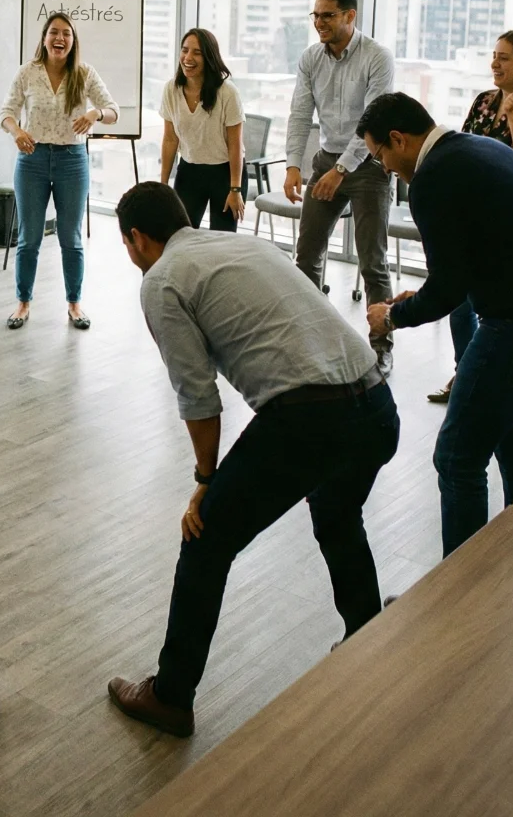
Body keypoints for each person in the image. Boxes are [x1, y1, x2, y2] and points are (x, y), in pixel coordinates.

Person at [105, 183, 399, 739]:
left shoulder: (162, 279)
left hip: (311, 419)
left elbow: (198, 396)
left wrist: (205, 482)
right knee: (337, 513)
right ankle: (367, 637)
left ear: (137, 239)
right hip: (377, 404)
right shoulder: (243, 246)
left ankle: (169, 697)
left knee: (206, 539)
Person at [361, 93, 513, 558]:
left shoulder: (433, 179)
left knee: (457, 457)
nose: (383, 167)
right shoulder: (482, 148)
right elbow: (474, 260)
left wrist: (391, 317)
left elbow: (448, 289)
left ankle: (460, 596)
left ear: (398, 139)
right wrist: (420, 296)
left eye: (379, 155)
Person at [428, 30, 513, 406]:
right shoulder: (483, 102)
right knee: (460, 301)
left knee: (493, 309)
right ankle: (465, 373)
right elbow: (463, 150)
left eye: (504, 58)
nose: (494, 63)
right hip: (473, 219)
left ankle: (484, 376)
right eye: (494, 55)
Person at [284, 0, 396, 375]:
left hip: (369, 164)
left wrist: (341, 169)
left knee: (373, 264)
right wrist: (293, 165)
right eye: (315, 15)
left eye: (328, 15)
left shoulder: (377, 58)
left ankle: (381, 347)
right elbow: (300, 114)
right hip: (326, 159)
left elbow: (373, 122)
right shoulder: (311, 58)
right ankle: (308, 338)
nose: (319, 23)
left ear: (350, 16)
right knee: (307, 255)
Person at [0, 12, 118, 331]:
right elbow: (7, 112)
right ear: (44, 37)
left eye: (66, 33)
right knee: (29, 238)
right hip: (32, 160)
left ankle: (74, 304)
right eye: (54, 32)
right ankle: (23, 303)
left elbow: (113, 112)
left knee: (71, 237)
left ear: (73, 40)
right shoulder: (28, 72)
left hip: (72, 160)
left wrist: (95, 113)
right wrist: (17, 132)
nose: (59, 38)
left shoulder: (85, 73)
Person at [159, 28, 245, 232]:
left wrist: (235, 189)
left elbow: (235, 144)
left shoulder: (227, 92)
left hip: (224, 173)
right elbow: (170, 139)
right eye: (184, 50)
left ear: (209, 57)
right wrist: (163, 185)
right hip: (190, 170)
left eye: (196, 52)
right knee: (180, 235)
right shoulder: (171, 89)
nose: (188, 57)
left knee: (222, 240)